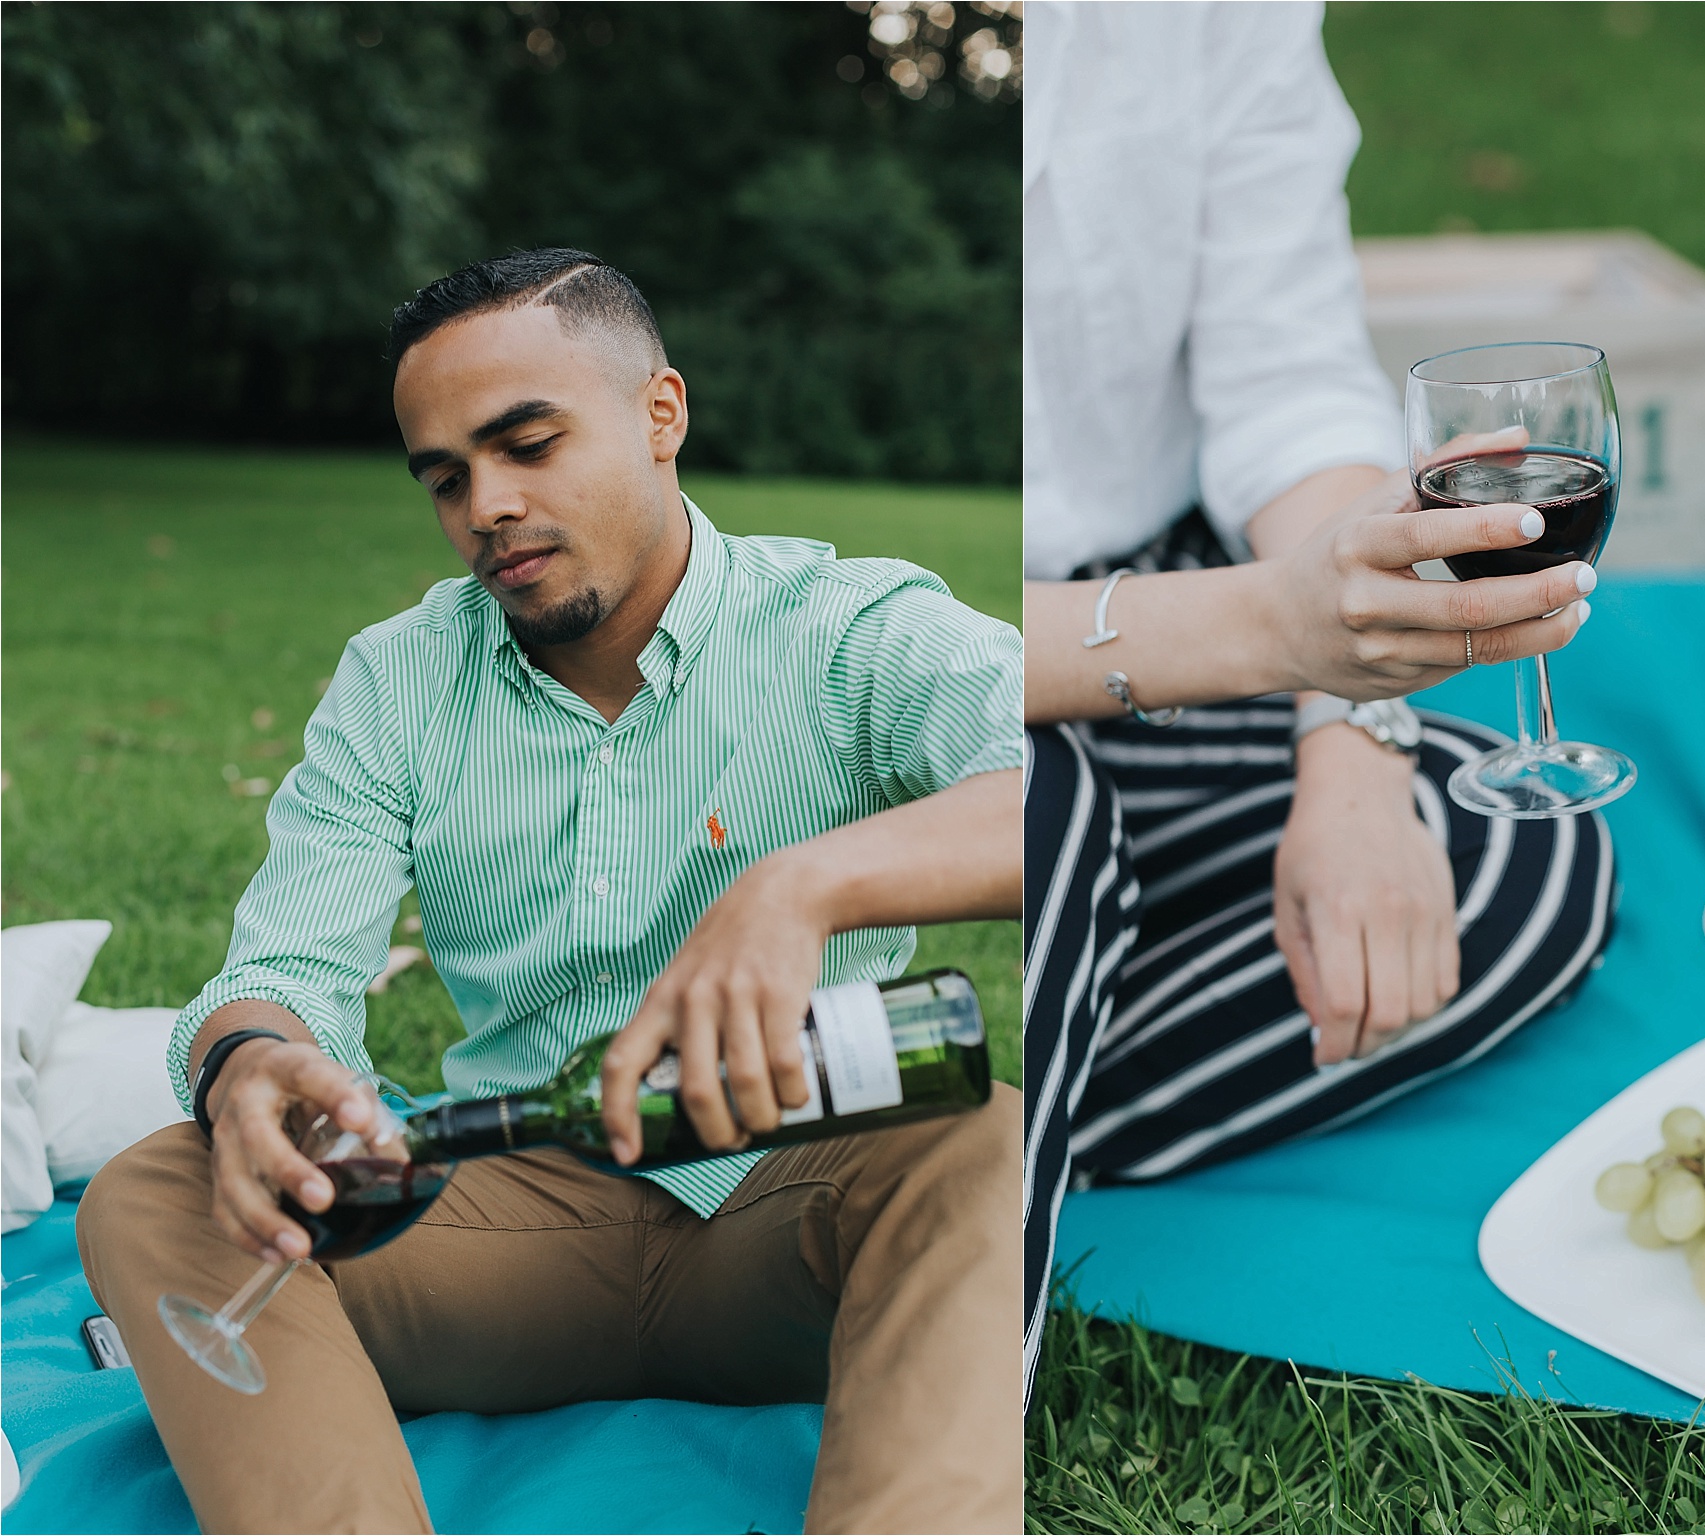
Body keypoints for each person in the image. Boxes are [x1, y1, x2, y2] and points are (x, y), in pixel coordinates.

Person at [78, 250, 1024, 1534]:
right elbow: (287, 971)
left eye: (526, 443)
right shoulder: (400, 679)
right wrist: (253, 1064)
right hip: (513, 1218)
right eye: (447, 476)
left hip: (794, 1207)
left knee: (978, 1131)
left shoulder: (847, 629)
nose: (487, 506)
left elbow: (1073, 783)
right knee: (162, 1187)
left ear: (660, 413)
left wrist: (799, 887)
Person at [1022, 2, 1618, 1380]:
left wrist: (1355, 746)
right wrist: (1279, 636)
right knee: (1041, 822)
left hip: (1182, 579)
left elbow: (1287, 386)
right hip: (947, 631)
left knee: (1513, 861)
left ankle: (987, 1081)